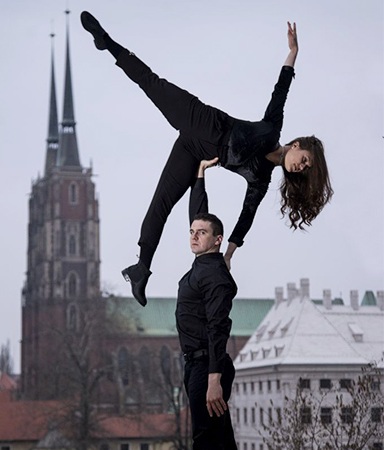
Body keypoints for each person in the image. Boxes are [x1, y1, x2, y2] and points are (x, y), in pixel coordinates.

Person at [80, 12, 333, 306]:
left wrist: (227, 255)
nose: (301, 166)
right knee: (151, 83)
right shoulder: (272, 127)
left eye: (304, 169)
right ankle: (106, 41)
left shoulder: (261, 178)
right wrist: (292, 53)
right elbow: (281, 90)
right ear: (298, 145)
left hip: (194, 152)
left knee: (162, 201)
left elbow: (245, 218)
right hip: (202, 119)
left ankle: (141, 268)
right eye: (305, 160)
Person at [176, 158, 238, 449]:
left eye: (201, 233)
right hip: (198, 365)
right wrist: (199, 173)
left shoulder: (214, 274)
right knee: (221, 439)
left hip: (207, 366)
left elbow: (218, 327)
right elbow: (198, 213)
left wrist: (214, 380)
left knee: (206, 440)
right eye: (191, 231)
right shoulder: (203, 263)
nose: (194, 236)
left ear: (217, 241)